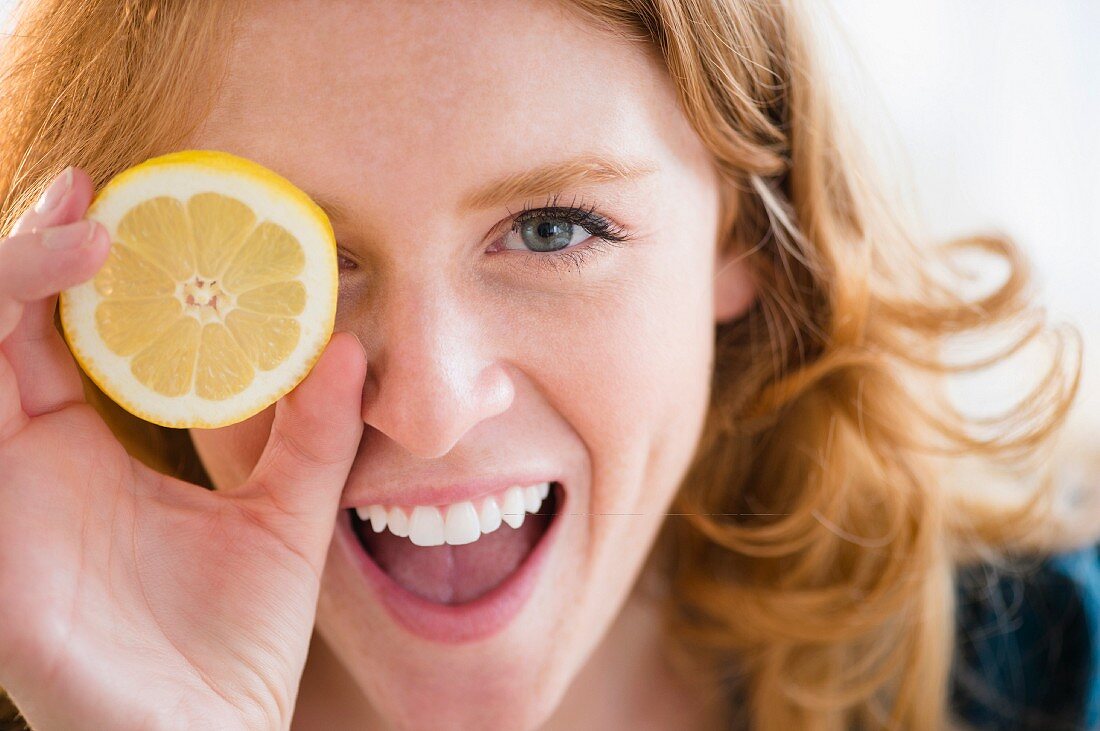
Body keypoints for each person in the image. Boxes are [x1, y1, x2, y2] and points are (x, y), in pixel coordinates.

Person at [0, 1, 1092, 729]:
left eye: (552, 229)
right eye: (313, 260)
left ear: (743, 234)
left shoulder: (1050, 672)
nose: (426, 407)